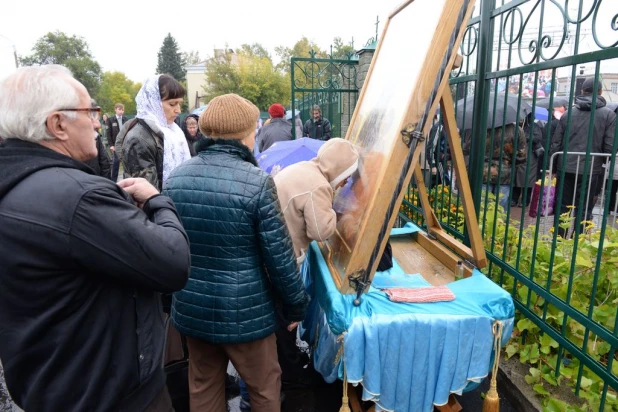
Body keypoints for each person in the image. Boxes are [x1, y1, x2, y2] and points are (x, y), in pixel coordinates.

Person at [0, 65, 191, 412]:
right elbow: (173, 263)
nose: (97, 123)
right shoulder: (80, 198)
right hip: (111, 392)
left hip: (51, 383)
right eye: (90, 111)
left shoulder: (15, 183)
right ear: (57, 124)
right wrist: (157, 201)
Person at [164, 93, 308, 412]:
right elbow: (279, 255)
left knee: (202, 385)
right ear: (246, 133)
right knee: (264, 387)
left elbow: (168, 244)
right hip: (247, 313)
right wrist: (296, 305)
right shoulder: (257, 182)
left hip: (193, 307)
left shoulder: (176, 178)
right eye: (254, 129)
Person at [273, 138, 359, 264]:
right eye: (347, 174)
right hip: (282, 258)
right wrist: (339, 216)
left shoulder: (305, 167)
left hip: (272, 245)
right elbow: (320, 232)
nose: (347, 180)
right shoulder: (319, 186)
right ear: (338, 169)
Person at [550, 77, 616, 236]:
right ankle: (577, 242)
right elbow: (609, 147)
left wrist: (553, 166)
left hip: (565, 167)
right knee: (584, 207)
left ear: (582, 91)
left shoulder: (568, 114)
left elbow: (556, 143)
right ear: (600, 92)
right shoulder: (608, 115)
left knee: (563, 206)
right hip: (591, 169)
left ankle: (558, 240)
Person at [116, 74, 191, 191]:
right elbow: (146, 196)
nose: (178, 110)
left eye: (179, 103)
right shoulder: (138, 139)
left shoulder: (173, 131)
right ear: (153, 102)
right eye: (172, 104)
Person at [463, 123, 527, 211]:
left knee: (482, 205)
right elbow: (522, 156)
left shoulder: (482, 126)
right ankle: (499, 224)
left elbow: (468, 149)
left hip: (483, 171)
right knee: (501, 207)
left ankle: (480, 224)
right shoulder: (516, 130)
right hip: (505, 173)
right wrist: (511, 162)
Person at [512, 113, 544, 207]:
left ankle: (525, 200)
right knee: (516, 178)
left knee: (527, 180)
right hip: (518, 154)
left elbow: (537, 137)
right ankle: (514, 198)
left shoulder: (534, 126)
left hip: (530, 155)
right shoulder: (516, 127)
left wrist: (525, 137)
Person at [84, 98, 112, 179]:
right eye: (90, 116)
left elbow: (104, 164)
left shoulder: (96, 137)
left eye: (95, 115)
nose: (98, 125)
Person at [106, 103, 128, 181]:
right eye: (119, 109)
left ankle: (126, 180)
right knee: (116, 163)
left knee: (126, 163)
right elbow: (108, 134)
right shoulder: (110, 120)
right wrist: (111, 145)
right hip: (116, 145)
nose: (121, 111)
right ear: (115, 109)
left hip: (125, 144)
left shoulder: (126, 119)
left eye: (122, 110)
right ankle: (114, 181)